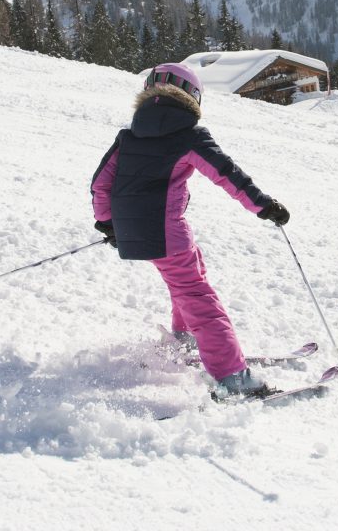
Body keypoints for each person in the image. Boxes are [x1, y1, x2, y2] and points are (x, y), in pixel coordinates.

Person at [90, 62, 290, 401]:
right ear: (192, 97)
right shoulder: (189, 135)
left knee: (189, 273)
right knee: (198, 295)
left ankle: (186, 337)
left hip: (139, 233)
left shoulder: (127, 137)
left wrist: (109, 223)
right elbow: (227, 174)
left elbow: (100, 184)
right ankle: (231, 377)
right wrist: (263, 205)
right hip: (166, 233)